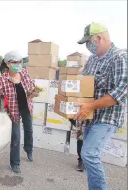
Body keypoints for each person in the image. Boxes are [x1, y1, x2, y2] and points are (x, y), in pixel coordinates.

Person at [76, 22, 127, 190]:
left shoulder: (119, 57)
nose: (88, 47)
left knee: (89, 154)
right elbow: (82, 83)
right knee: (89, 156)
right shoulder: (92, 60)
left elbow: (120, 92)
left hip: (107, 117)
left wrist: (90, 106)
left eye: (89, 42)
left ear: (99, 38)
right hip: (90, 117)